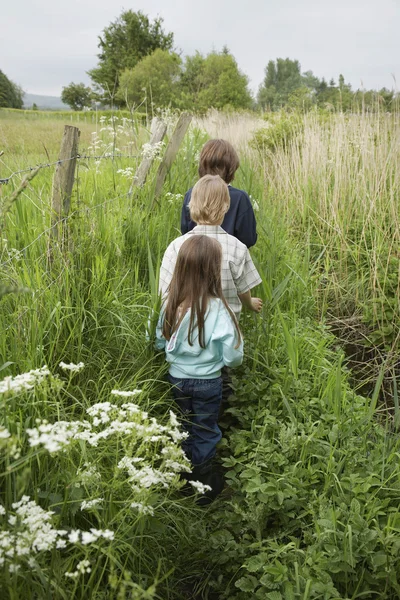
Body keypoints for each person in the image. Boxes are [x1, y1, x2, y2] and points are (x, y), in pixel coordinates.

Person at [156, 235, 243, 503]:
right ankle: (202, 484)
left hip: (176, 380)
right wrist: (222, 360)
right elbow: (233, 355)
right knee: (205, 428)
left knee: (182, 426)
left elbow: (160, 340)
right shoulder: (219, 309)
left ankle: (179, 478)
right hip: (207, 382)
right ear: (212, 271)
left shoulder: (169, 303)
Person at [160, 174, 263, 321]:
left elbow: (164, 292)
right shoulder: (237, 247)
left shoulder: (176, 246)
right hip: (225, 330)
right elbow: (243, 289)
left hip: (183, 328)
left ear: (191, 205)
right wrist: (249, 303)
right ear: (225, 207)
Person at [181, 139, 257, 248]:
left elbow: (185, 231)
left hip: (194, 257)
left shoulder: (191, 194)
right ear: (232, 166)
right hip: (230, 256)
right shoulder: (240, 198)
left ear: (203, 165)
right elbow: (248, 238)